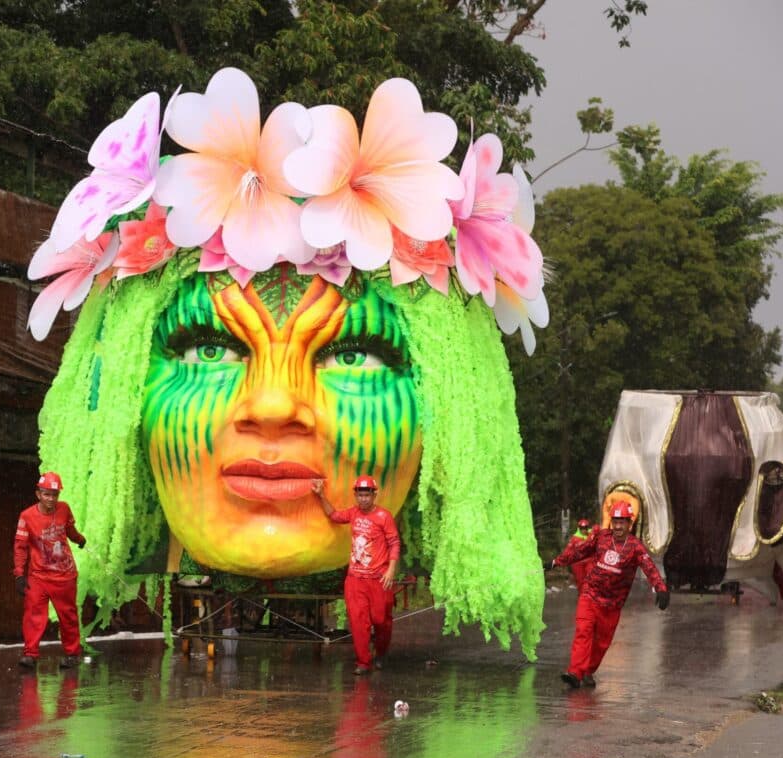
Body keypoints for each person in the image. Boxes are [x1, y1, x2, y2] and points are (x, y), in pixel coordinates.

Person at [27, 68, 549, 660]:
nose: (274, 406)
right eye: (208, 348)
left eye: (353, 355)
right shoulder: (44, 516)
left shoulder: (367, 516)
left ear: (454, 408)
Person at [546, 500, 669, 688]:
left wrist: (660, 588)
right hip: (590, 594)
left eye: (622, 522)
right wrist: (556, 562)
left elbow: (649, 567)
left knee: (601, 643)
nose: (618, 526)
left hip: (612, 605)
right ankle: (575, 672)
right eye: (615, 521)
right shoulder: (601, 537)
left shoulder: (636, 547)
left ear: (629, 523)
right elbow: (579, 552)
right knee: (583, 631)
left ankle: (587, 671)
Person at [312, 475, 399, 675]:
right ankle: (363, 662)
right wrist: (320, 495)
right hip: (355, 579)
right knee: (359, 622)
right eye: (360, 495)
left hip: (379, 579)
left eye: (367, 494)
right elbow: (333, 515)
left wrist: (391, 569)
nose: (363, 499)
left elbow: (394, 543)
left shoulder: (384, 517)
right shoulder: (353, 513)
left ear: (374, 495)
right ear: (356, 495)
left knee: (381, 620)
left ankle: (381, 653)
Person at [13, 472, 87, 669]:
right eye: (47, 494)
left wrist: (79, 539)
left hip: (64, 575)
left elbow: (69, 531)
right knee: (33, 615)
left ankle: (72, 654)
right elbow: (20, 547)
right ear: (38, 494)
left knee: (68, 616)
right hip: (38, 576)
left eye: (54, 494)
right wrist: (19, 574)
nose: (51, 499)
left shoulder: (64, 510)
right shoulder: (26, 516)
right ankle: (30, 654)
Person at [561, 518, 595, 589]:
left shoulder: (592, 534)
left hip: (589, 561)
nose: (584, 530)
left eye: (585, 528)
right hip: (578, 563)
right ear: (579, 528)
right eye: (582, 528)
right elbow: (568, 550)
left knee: (591, 578)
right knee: (580, 581)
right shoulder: (574, 538)